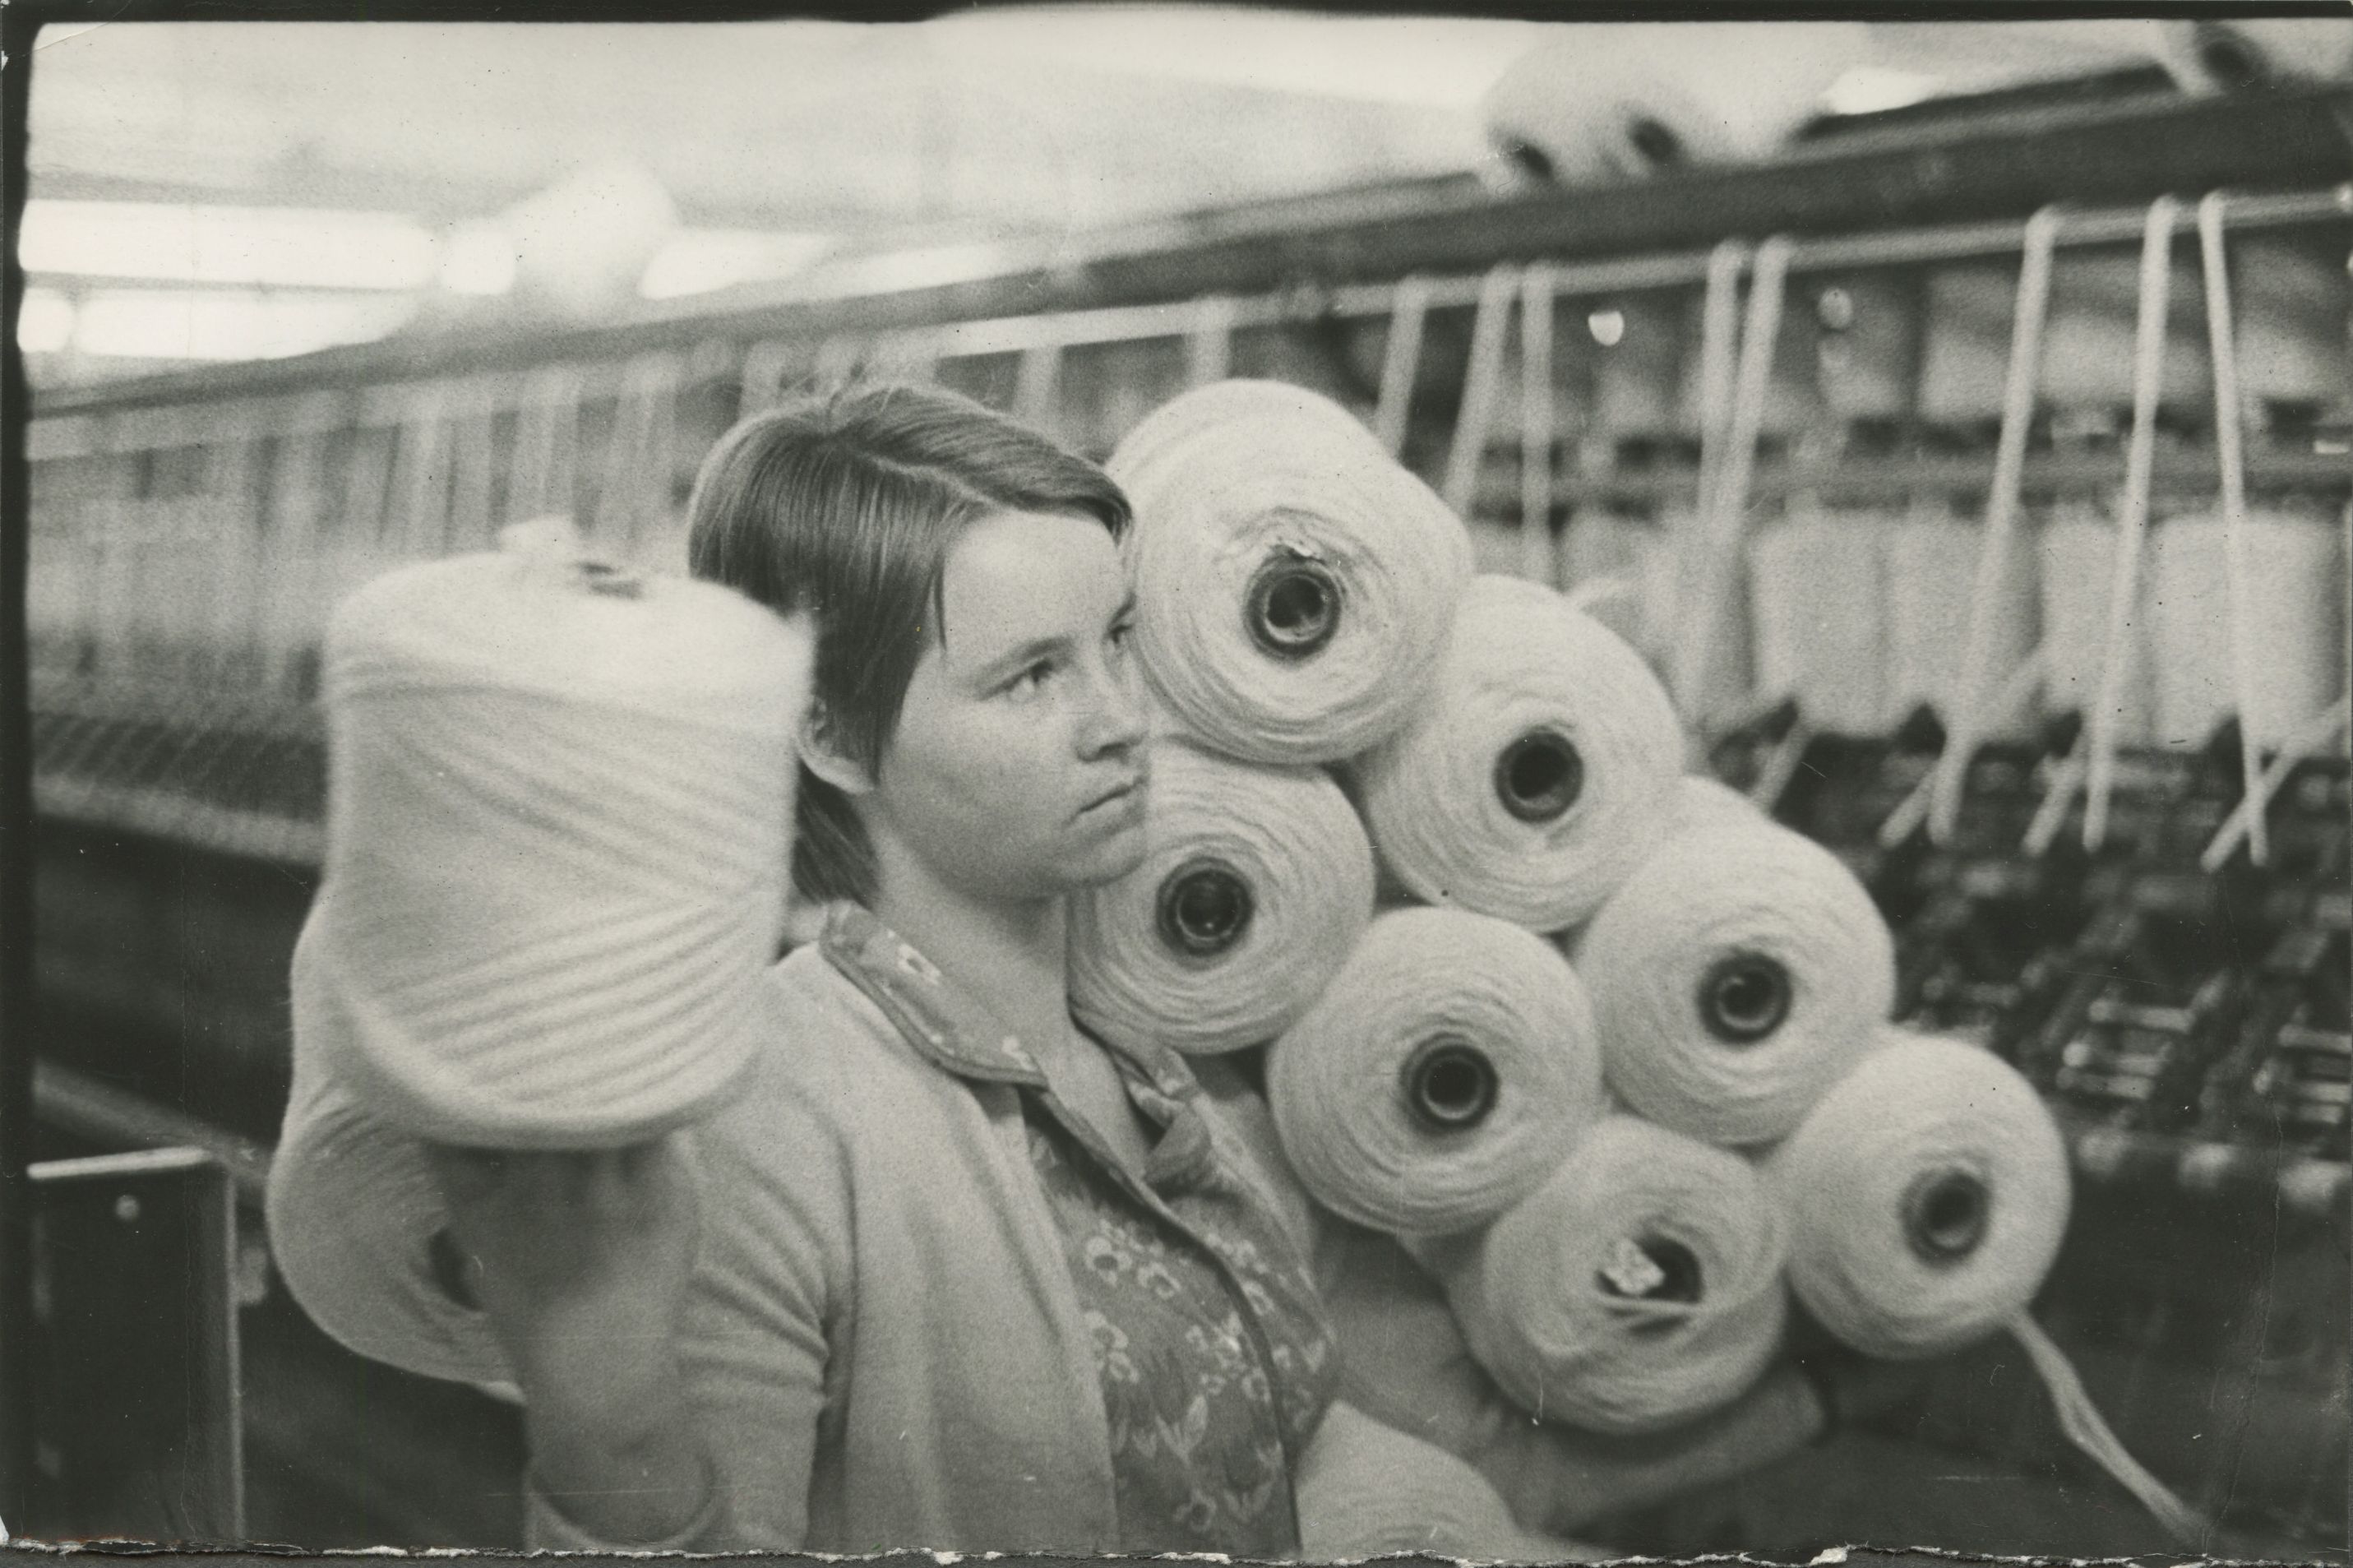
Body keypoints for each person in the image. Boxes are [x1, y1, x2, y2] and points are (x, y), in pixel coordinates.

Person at [423, 382, 1860, 1557]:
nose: (1123, 722)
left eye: (1118, 640)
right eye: (1030, 677)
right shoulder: (773, 1126)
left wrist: (1792, 1390)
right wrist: (603, 1430)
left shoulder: (1152, 1080)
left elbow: (1317, 1464)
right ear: (832, 738)